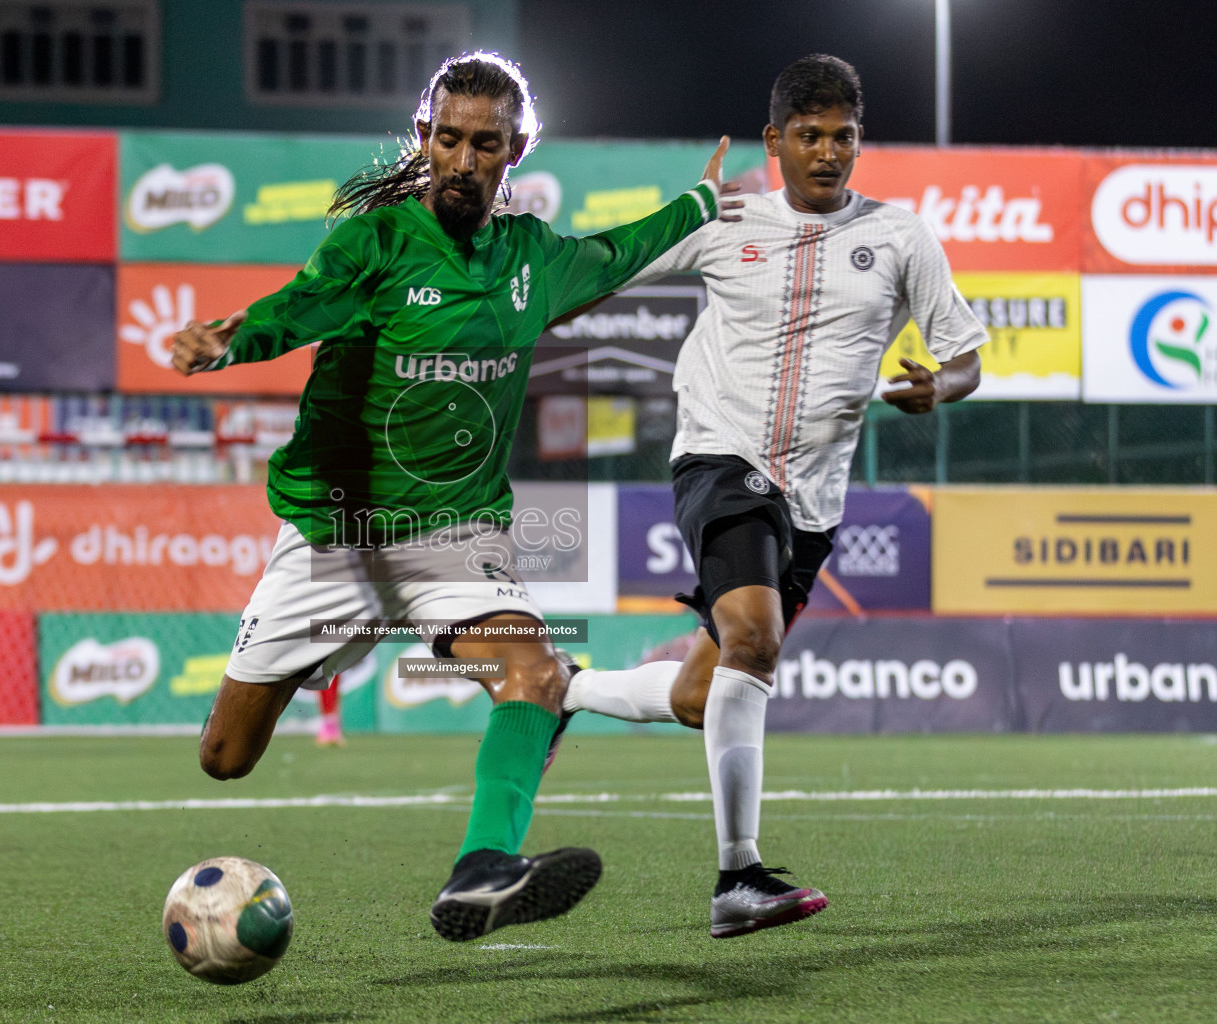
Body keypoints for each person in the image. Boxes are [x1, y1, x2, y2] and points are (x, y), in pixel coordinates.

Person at [169, 51, 740, 941]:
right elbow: (298, 306)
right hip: (336, 534)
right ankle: (355, 664)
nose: (463, 160)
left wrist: (700, 204)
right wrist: (229, 343)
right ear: (424, 139)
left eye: (485, 143)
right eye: (447, 139)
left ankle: (481, 867)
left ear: (516, 150)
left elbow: (624, 250)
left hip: (453, 533)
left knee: (534, 669)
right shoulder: (378, 242)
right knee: (225, 758)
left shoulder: (532, 260)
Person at [558, 54, 985, 938]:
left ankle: (563, 688)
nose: (827, 153)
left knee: (695, 695)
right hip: (718, 456)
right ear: (773, 142)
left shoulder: (901, 238)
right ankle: (736, 878)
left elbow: (966, 357)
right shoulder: (725, 221)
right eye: (809, 136)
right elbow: (593, 276)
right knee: (757, 638)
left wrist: (937, 386)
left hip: (813, 503)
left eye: (843, 137)